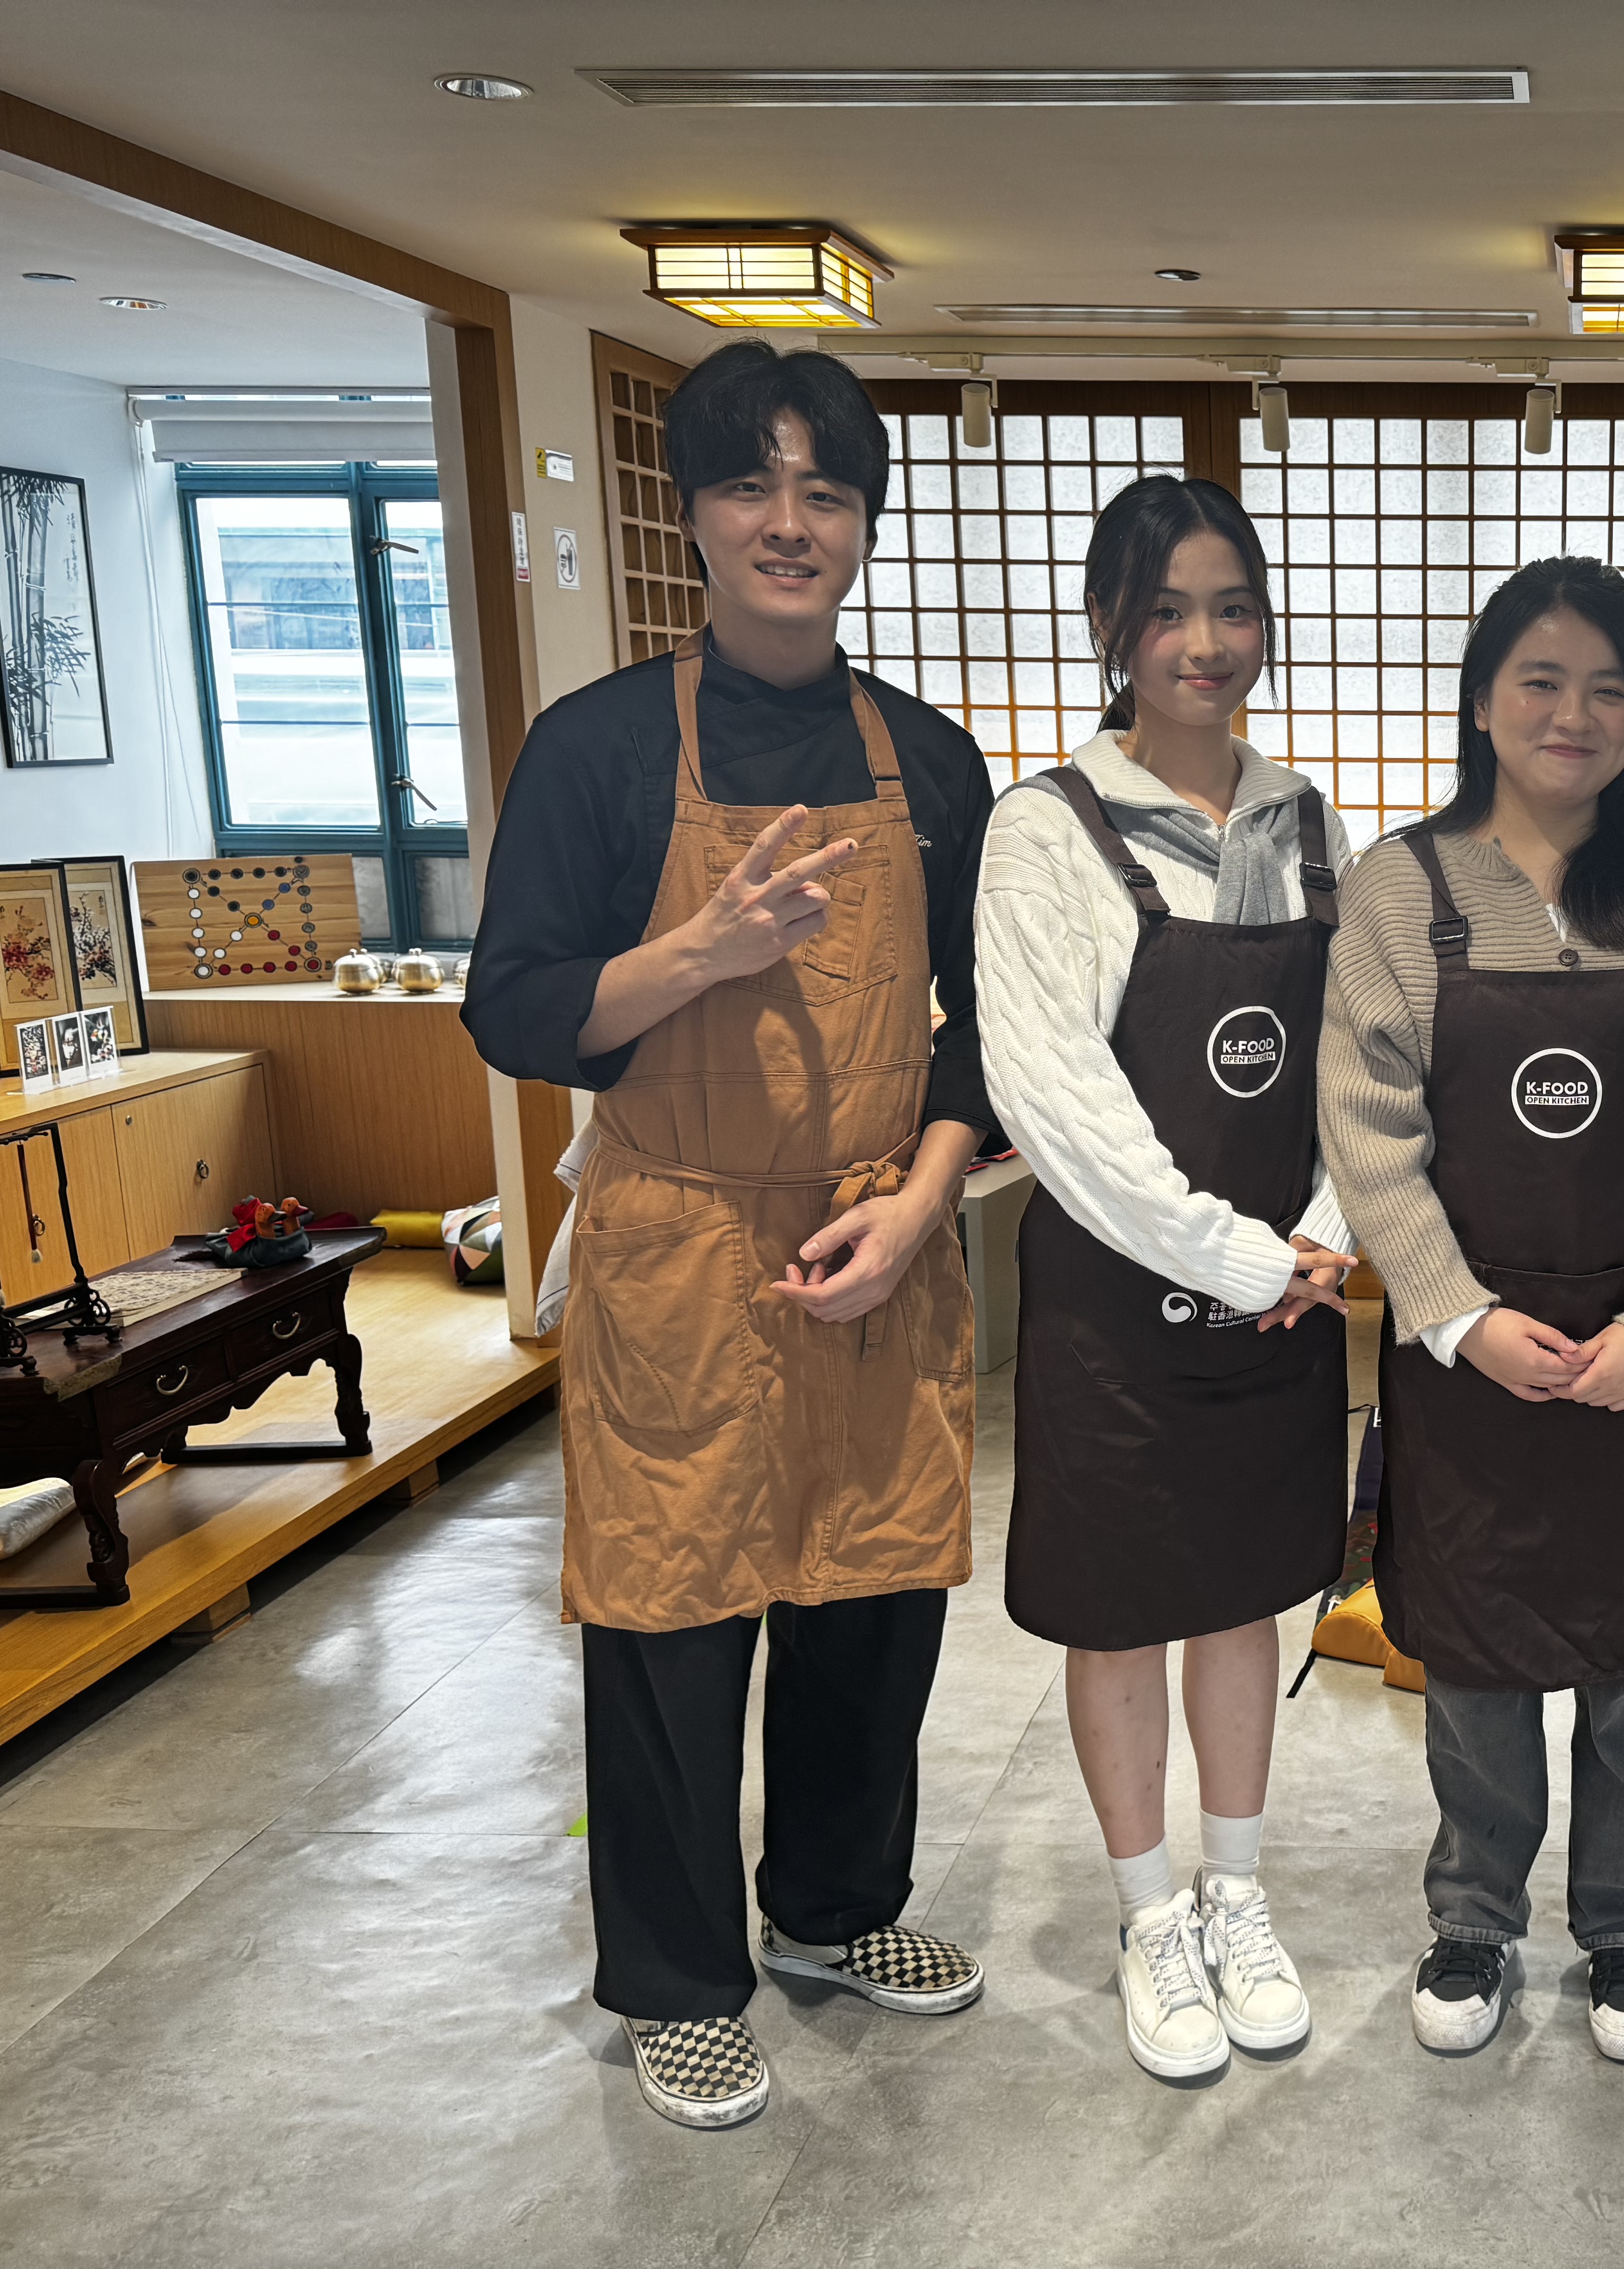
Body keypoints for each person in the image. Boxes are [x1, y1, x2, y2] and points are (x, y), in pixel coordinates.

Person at [465, 341, 989, 2131]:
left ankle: (835, 1907)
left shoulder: (930, 761)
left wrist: (922, 1202)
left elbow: (990, 1026)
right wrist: (699, 954)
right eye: (753, 486)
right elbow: (515, 1006)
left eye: (826, 491)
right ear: (690, 514)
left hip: (876, 1232)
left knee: (871, 1594)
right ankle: (679, 1980)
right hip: (681, 1243)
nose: (790, 523)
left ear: (864, 525)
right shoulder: (601, 748)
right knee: (672, 1616)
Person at [1320, 555, 1624, 2065]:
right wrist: (1456, 1314)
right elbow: (1366, 1122)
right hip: (1470, 1354)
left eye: (1609, 689)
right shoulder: (1403, 888)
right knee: (1475, 1652)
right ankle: (1473, 1915)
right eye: (1541, 681)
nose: (1574, 714)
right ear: (1482, 700)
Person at [975, 476, 1354, 2080]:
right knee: (1124, 1609)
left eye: (1232, 607)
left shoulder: (1304, 820)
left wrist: (1327, 1230)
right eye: (1167, 611)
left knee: (1246, 1591)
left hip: (1284, 1295)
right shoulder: (1046, 828)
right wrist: (1246, 1254)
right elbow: (1055, 1099)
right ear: (1112, 632)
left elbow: (1356, 1060)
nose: (1205, 643)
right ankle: (1149, 1914)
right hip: (1122, 1306)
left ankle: (1236, 1892)